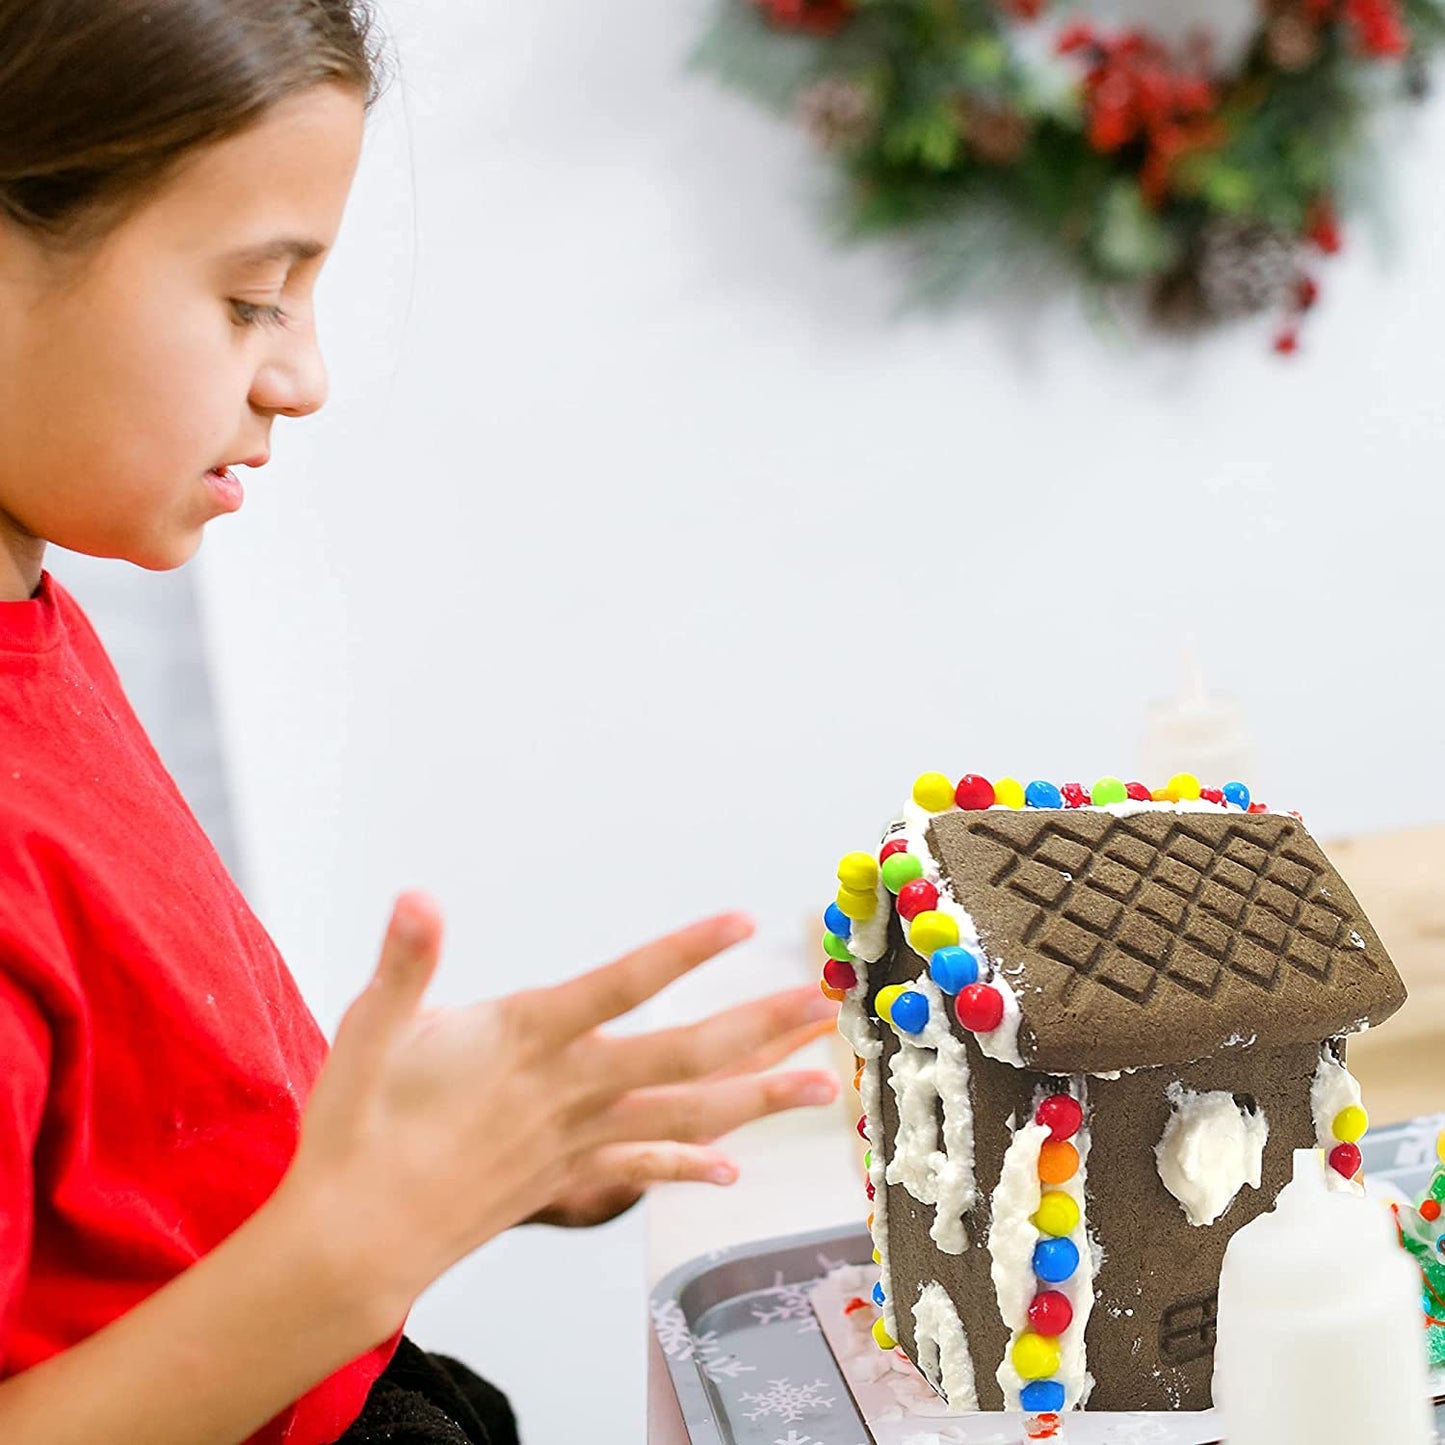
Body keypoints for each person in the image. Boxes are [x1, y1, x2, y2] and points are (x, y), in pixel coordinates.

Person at [0, 3, 842, 1442]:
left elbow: (123, 1201)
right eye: (252, 298)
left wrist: (442, 1153)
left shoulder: (40, 625)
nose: (301, 376)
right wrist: (366, 1239)